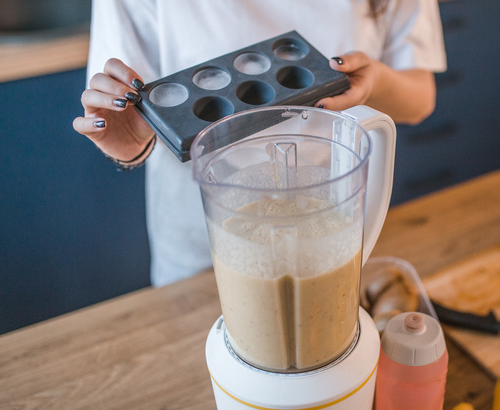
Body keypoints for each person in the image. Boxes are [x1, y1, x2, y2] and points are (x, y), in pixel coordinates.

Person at [73, 0, 447, 286]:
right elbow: (128, 110)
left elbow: (419, 97)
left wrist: (372, 81)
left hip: (333, 232)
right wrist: (131, 145)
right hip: (205, 250)